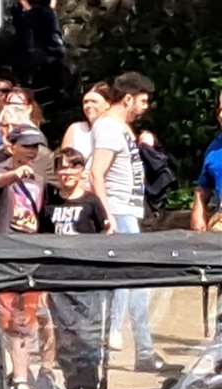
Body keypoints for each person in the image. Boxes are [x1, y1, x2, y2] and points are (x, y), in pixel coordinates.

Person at [90, 72, 163, 372]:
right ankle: (119, 334)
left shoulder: (121, 128)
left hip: (129, 210)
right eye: (142, 101)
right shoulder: (108, 127)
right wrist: (108, 216)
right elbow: (97, 172)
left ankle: (143, 351)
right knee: (133, 280)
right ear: (128, 97)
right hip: (119, 211)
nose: (145, 107)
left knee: (137, 285)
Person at [0, 125, 63, 389]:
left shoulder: (40, 178)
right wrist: (14, 174)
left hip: (30, 251)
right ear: (12, 146)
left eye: (36, 146)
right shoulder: (0, 169)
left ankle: (30, 374)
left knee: (31, 317)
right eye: (26, 145)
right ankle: (14, 374)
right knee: (7, 317)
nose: (32, 151)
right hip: (5, 250)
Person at [43, 147, 111, 389]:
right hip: (59, 278)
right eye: (62, 167)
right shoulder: (50, 203)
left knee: (88, 331)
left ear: (81, 170)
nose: (67, 173)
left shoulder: (91, 202)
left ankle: (90, 382)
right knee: (65, 334)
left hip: (86, 277)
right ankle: (73, 384)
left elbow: (105, 232)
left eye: (73, 167)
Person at [189, 90, 222, 232]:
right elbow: (203, 187)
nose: (221, 115)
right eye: (220, 109)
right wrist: (198, 214)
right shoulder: (215, 148)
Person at [61, 82, 114, 164]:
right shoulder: (75, 129)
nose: (88, 105)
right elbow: (64, 163)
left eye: (94, 101)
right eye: (85, 102)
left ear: (108, 104)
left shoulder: (116, 130)